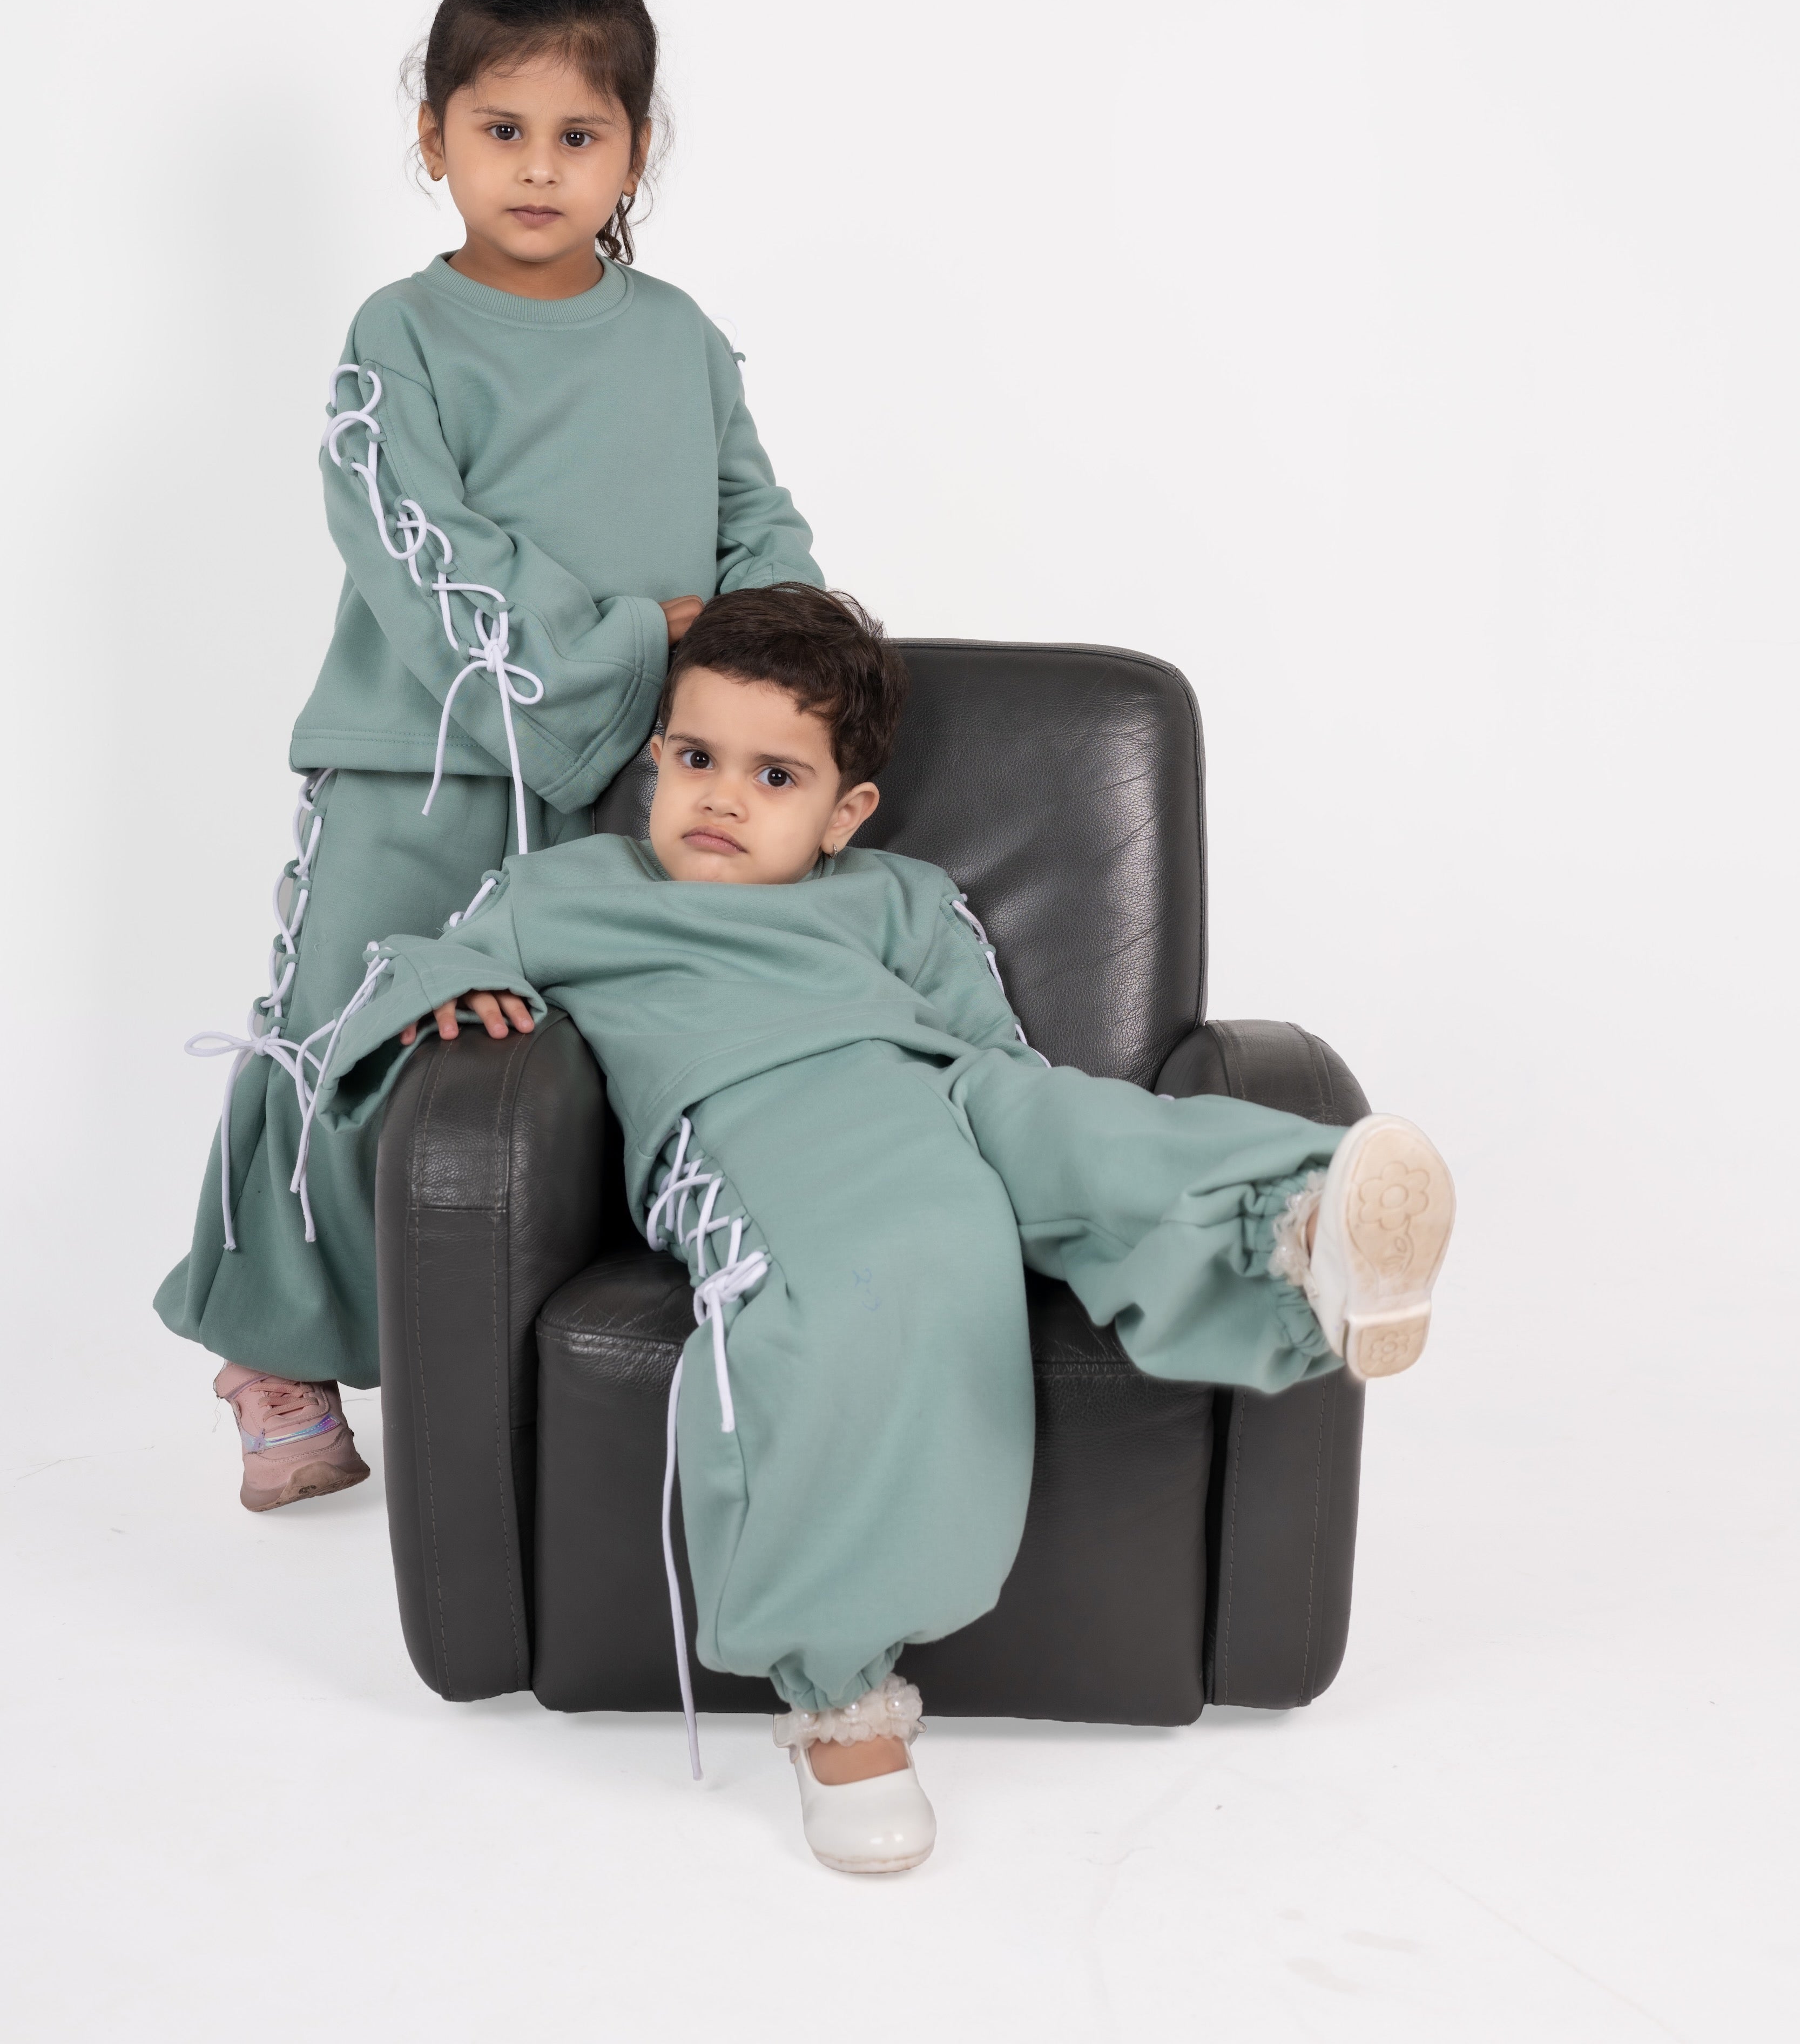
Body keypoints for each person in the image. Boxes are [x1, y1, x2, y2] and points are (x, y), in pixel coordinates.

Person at [287, 584, 1458, 1876]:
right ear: (654, 758)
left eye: (772, 774)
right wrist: (453, 1004)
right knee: (879, 1263)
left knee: (1072, 1126)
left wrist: (1021, 1151)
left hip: (932, 1086)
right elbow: (421, 959)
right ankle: (841, 1697)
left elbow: (990, 1049)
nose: (720, 798)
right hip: (742, 1117)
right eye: (693, 759)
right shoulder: (570, 890)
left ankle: (1297, 1234)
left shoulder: (899, 898)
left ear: (844, 811)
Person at [156, 0, 821, 1505]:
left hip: (626, 786)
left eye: (578, 135)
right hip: (421, 767)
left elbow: (755, 524)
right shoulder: (400, 335)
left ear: (635, 150)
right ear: (433, 135)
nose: (537, 167)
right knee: (345, 1032)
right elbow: (419, 552)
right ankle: (277, 1349)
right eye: (499, 128)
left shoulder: (677, 339)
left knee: (565, 1064)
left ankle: (539, 1365)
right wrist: (619, 637)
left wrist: (772, 651)